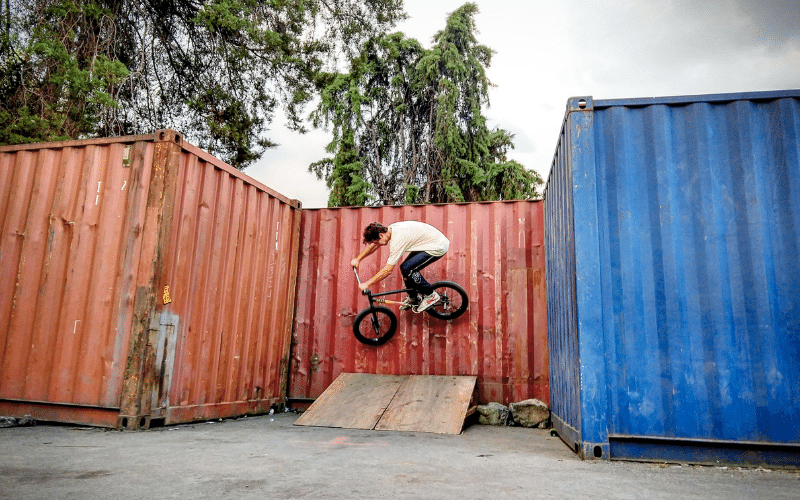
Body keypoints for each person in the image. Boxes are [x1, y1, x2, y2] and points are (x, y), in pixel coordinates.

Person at [350, 221, 449, 313]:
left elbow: (388, 270)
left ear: (381, 235)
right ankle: (413, 297)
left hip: (437, 246)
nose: (376, 244)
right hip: (428, 242)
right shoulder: (389, 230)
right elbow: (374, 246)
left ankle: (431, 295)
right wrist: (358, 259)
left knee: (408, 268)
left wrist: (367, 284)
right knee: (405, 268)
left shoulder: (397, 240)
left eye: (376, 241)